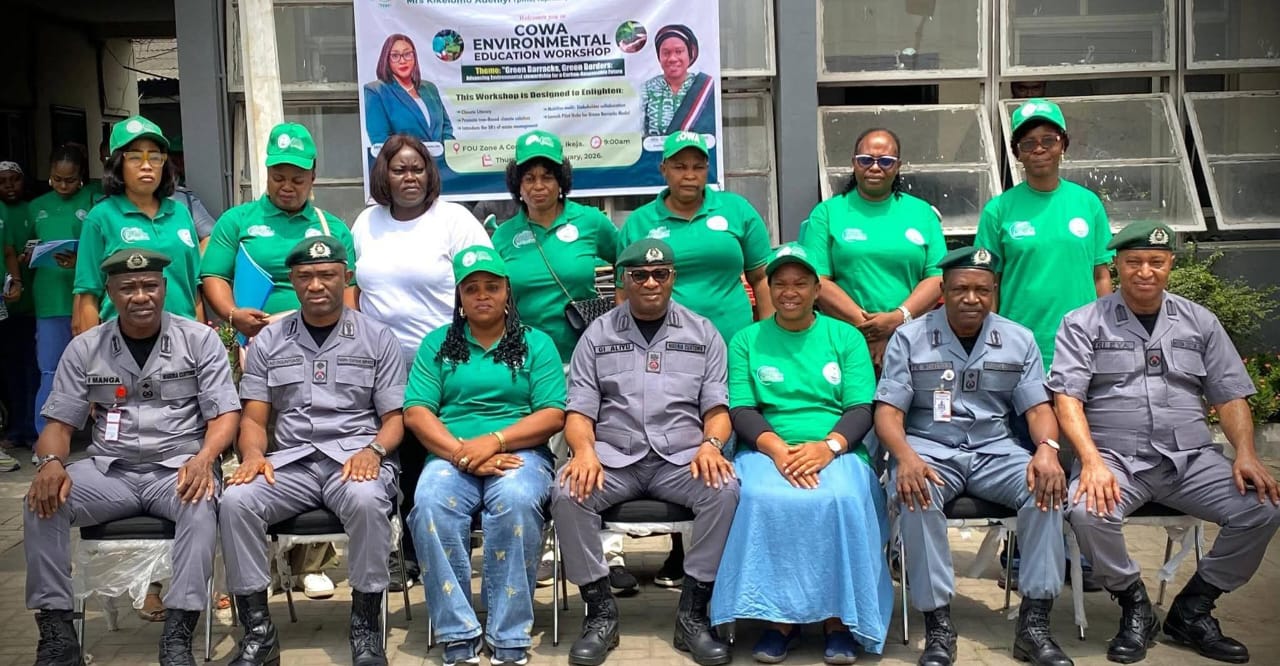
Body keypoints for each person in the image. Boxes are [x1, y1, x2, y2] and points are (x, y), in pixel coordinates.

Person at [1050, 221, 1280, 665]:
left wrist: (1247, 454)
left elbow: (1230, 394)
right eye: (1133, 262)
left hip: (1190, 458)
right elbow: (1068, 399)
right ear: (1116, 266)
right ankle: (1133, 601)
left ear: (1170, 263)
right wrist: (1090, 461)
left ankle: (1193, 609)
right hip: (1116, 458)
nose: (1144, 271)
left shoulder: (1200, 321)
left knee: (1263, 508)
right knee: (1086, 510)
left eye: (1156, 261)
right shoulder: (1083, 323)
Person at [24, 248, 240, 666]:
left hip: (178, 469)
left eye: (149, 286)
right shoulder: (86, 348)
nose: (140, 296)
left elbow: (225, 415)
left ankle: (178, 633)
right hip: (111, 471)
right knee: (42, 502)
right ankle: (56, 632)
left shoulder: (199, 340)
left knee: (200, 503)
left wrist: (205, 457)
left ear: (164, 288)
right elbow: (58, 425)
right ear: (110, 293)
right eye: (128, 288)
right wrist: (50, 463)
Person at [875, 246, 1073, 666]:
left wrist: (1047, 450)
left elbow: (1038, 410)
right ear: (942, 291)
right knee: (916, 492)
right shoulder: (909, 338)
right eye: (961, 289)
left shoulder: (1018, 339)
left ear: (994, 290)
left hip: (994, 450)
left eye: (982, 290)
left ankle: (1034, 624)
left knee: (1046, 487)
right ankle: (938, 624)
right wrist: (904, 457)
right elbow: (888, 413)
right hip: (929, 449)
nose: (972, 298)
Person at [220, 236, 406, 666]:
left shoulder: (377, 337)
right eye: (305, 276)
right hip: (293, 463)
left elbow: (396, 419)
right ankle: (259, 633)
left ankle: (365, 627)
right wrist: (253, 455)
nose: (316, 285)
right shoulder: (269, 340)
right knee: (236, 501)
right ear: (293, 281)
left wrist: (375, 450)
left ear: (346, 277)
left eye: (327, 275)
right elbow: (254, 420)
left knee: (367, 500)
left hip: (356, 459)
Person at [552, 239, 737, 666]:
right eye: (639, 275)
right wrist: (583, 452)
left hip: (682, 459)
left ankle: (693, 614)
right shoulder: (598, 334)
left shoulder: (703, 332)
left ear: (673, 277)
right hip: (615, 459)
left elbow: (717, 409)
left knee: (725, 489)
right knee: (566, 492)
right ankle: (600, 612)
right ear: (624, 280)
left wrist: (711, 445)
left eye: (660, 274)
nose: (650, 282)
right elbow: (579, 411)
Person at [709, 243, 891, 665]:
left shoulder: (845, 336)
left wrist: (827, 448)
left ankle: (839, 620)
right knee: (762, 498)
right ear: (769, 289)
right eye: (781, 284)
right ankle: (779, 621)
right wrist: (778, 451)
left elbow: (861, 408)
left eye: (800, 283)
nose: (790, 292)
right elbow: (742, 409)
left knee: (841, 498)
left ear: (817, 289)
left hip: (837, 448)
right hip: (766, 447)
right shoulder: (746, 339)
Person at [617, 132, 770, 584]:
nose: (690, 175)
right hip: (668, 351)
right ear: (663, 170)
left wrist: (766, 336)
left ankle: (728, 551)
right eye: (680, 166)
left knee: (728, 436)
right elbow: (626, 290)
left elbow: (761, 278)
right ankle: (681, 551)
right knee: (679, 439)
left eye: (698, 166)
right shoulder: (641, 221)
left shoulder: (737, 211)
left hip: (735, 343)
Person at [975, 97, 1113, 592]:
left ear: (1063, 145)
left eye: (1048, 140)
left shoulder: (1087, 204)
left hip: (1081, 351)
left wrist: (1111, 337)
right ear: (1016, 152)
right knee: (1026, 450)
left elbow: (1101, 275)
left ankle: (1082, 553)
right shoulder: (999, 210)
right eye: (1028, 142)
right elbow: (986, 284)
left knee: (1077, 452)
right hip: (1021, 354)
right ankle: (1021, 554)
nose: (1039, 149)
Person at [404, 246, 565, 666]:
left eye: (492, 287)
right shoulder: (438, 344)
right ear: (459, 295)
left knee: (515, 501)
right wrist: (463, 453)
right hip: (449, 455)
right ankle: (458, 633)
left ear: (507, 291)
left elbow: (553, 414)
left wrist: (493, 442)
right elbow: (417, 412)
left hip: (520, 454)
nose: (482, 295)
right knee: (430, 504)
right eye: (471, 288)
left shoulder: (537, 343)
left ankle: (508, 634)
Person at [491, 130, 635, 592]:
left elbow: (627, 267)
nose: (538, 186)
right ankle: (545, 547)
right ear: (517, 183)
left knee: (595, 449)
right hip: (530, 364)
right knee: (544, 454)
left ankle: (608, 552)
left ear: (562, 181)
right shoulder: (504, 235)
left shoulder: (592, 223)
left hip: (590, 358)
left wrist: (619, 315)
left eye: (547, 176)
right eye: (529, 177)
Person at [351, 134, 491, 590]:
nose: (409, 177)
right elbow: (354, 288)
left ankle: (450, 549)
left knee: (441, 456)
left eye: (417, 168)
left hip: (447, 363)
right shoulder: (366, 223)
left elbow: (484, 284)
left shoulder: (454, 220)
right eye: (399, 169)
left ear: (430, 174)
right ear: (384, 175)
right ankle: (406, 555)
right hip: (382, 366)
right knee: (400, 463)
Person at [799, 128, 945, 367]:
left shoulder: (922, 213)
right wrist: (871, 328)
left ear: (898, 166)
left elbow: (937, 277)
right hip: (844, 341)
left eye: (886, 161)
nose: (875, 167)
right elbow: (817, 280)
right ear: (853, 163)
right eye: (865, 160)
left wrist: (897, 319)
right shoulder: (827, 213)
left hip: (914, 339)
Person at [203, 122, 357, 341]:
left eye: (297, 180)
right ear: (267, 174)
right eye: (278, 178)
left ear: (313, 177)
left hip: (322, 339)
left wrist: (342, 337)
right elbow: (214, 276)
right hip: (257, 339)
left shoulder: (332, 228)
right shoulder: (237, 220)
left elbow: (349, 288)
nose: (286, 187)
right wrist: (234, 315)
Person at [72, 116, 201, 333]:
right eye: (135, 157)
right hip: (122, 342)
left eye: (155, 157)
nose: (147, 166)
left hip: (183, 340)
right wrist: (92, 350)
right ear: (117, 164)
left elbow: (194, 289)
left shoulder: (181, 214)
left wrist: (200, 340)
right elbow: (88, 294)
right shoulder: (100, 218)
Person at [28, 146, 96, 451]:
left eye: (70, 179)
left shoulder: (95, 201)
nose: (63, 185)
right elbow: (19, 249)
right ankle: (46, 437)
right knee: (51, 370)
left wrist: (80, 258)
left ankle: (103, 434)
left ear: (81, 176)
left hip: (87, 297)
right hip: (50, 298)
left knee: (97, 368)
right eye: (57, 179)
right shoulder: (36, 207)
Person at [1, 158, 39, 468]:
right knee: (9, 371)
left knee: (32, 370)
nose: (9, 186)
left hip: (33, 304)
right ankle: (15, 428)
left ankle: (31, 428)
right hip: (5, 308)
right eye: (2, 182)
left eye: (14, 179)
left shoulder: (34, 209)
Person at [363, 33, 454, 156]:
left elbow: (446, 128)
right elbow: (380, 140)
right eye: (395, 56)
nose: (402, 60)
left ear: (414, 57)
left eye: (407, 54)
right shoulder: (376, 91)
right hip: (406, 164)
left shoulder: (430, 88)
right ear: (386, 59)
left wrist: (446, 154)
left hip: (441, 164)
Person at [641, 25, 716, 136]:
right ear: (659, 56)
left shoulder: (706, 88)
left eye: (679, 51)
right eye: (666, 53)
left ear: (690, 54)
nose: (672, 58)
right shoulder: (646, 89)